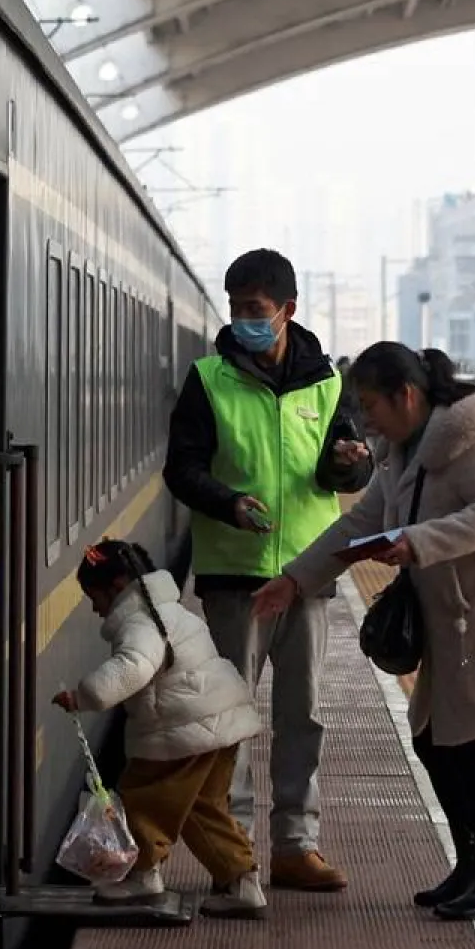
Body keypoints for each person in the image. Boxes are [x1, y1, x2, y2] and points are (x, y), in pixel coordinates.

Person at [251, 343, 475, 922]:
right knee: (437, 744)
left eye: (371, 404)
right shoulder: (403, 450)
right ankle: (472, 869)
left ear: (406, 394)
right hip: (450, 622)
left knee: (470, 752)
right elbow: (360, 520)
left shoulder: (471, 440)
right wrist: (295, 580)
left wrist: (419, 541)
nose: (365, 418)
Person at [162, 248, 372, 892]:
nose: (244, 320)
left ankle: (294, 845)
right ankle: (238, 852)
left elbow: (350, 469)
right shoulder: (209, 379)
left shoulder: (329, 384)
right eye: (237, 308)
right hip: (235, 579)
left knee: (303, 714)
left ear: (288, 310)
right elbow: (182, 468)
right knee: (233, 718)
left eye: (256, 309)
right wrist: (227, 502)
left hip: (307, 577)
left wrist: (349, 463)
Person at [51, 540, 267, 918]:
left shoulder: (140, 622)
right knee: (203, 809)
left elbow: (133, 667)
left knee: (143, 800)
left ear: (118, 587)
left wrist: (84, 696)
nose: (94, 607)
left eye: (95, 596)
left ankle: (141, 876)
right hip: (217, 724)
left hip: (182, 731)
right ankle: (241, 882)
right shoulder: (170, 611)